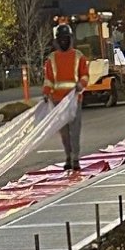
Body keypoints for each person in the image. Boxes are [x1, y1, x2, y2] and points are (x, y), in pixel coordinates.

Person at [43, 23, 90, 173]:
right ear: (57, 40)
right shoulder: (52, 59)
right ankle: (68, 157)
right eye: (61, 39)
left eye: (66, 38)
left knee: (74, 132)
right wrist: (46, 92)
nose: (63, 41)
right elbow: (49, 79)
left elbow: (85, 75)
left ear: (70, 39)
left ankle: (75, 158)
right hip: (58, 101)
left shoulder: (78, 56)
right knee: (64, 134)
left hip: (74, 100)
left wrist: (81, 85)